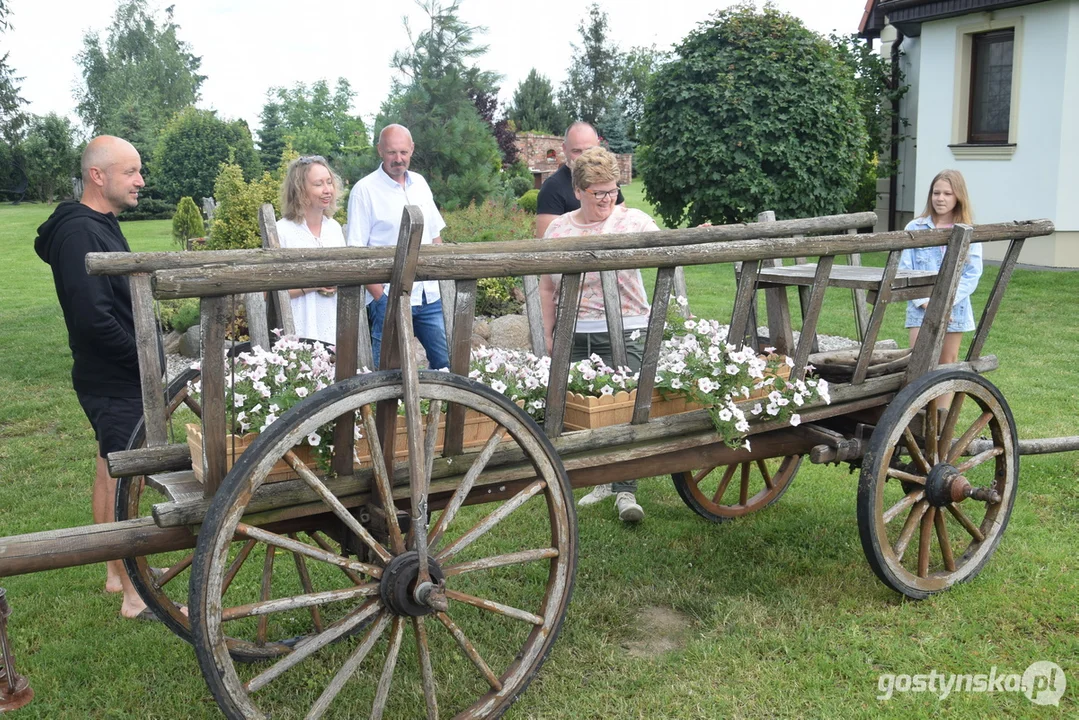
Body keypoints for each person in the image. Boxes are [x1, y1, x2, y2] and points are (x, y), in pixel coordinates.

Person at [33, 136, 151, 620]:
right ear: (98, 176)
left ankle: (112, 573)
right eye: (131, 172)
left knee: (109, 464)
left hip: (110, 375)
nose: (141, 181)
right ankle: (130, 591)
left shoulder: (98, 225)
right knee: (126, 477)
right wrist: (145, 359)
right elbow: (94, 320)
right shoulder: (81, 232)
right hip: (113, 375)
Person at [539, 146, 658, 523]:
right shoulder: (559, 229)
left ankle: (626, 492)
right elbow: (546, 287)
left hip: (627, 328)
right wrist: (548, 334)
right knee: (583, 412)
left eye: (612, 191)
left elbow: (671, 247)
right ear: (578, 191)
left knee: (626, 409)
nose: (607, 199)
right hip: (576, 333)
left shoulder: (633, 221)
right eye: (598, 193)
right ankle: (600, 480)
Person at [347, 124, 450, 369]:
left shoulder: (421, 184)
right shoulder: (364, 190)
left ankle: (444, 409)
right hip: (388, 296)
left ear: (412, 149)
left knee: (446, 364)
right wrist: (379, 295)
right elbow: (356, 251)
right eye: (392, 152)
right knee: (387, 370)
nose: (398, 159)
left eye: (403, 152)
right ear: (380, 150)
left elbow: (435, 237)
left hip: (429, 296)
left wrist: (441, 282)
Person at [900, 169, 982, 366]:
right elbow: (903, 269)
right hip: (921, 308)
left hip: (955, 307)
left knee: (947, 364)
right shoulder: (914, 228)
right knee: (918, 362)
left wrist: (946, 300)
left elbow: (973, 273)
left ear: (958, 197)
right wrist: (925, 302)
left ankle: (943, 399)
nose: (940, 198)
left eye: (947, 194)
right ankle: (922, 400)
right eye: (936, 193)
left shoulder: (969, 230)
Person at [277, 155, 346, 345]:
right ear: (299, 189)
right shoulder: (282, 231)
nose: (327, 190)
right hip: (298, 329)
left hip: (332, 327)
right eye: (318, 184)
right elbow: (269, 293)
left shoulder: (334, 229)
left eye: (329, 182)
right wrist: (313, 284)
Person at [534, 121, 624, 239]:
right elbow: (545, 244)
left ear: (598, 145)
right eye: (576, 151)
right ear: (565, 149)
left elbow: (623, 219)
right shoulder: (552, 187)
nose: (584, 157)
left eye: (589, 150)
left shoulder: (607, 178)